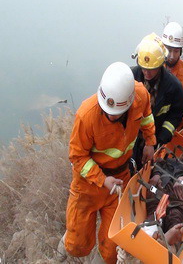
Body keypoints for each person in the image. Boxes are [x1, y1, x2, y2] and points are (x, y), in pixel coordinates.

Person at [58, 62, 156, 263]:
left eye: (116, 112)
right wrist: (102, 180)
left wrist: (150, 142)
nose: (110, 115)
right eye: (107, 110)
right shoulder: (87, 116)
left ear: (129, 103)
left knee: (112, 248)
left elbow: (146, 117)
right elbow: (77, 157)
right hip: (88, 186)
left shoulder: (140, 96)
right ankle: (71, 235)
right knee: (77, 246)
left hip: (118, 182)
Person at [131, 33, 183, 171]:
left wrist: (160, 138)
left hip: (155, 139)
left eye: (151, 69)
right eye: (143, 68)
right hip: (130, 139)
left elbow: (177, 112)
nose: (146, 73)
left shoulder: (173, 87)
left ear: (161, 64)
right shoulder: (130, 78)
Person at [144, 157, 183, 249]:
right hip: (161, 188)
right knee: (154, 207)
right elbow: (156, 165)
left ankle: (169, 239)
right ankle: (153, 231)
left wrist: (182, 178)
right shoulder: (168, 160)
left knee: (176, 213)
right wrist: (157, 175)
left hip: (180, 195)